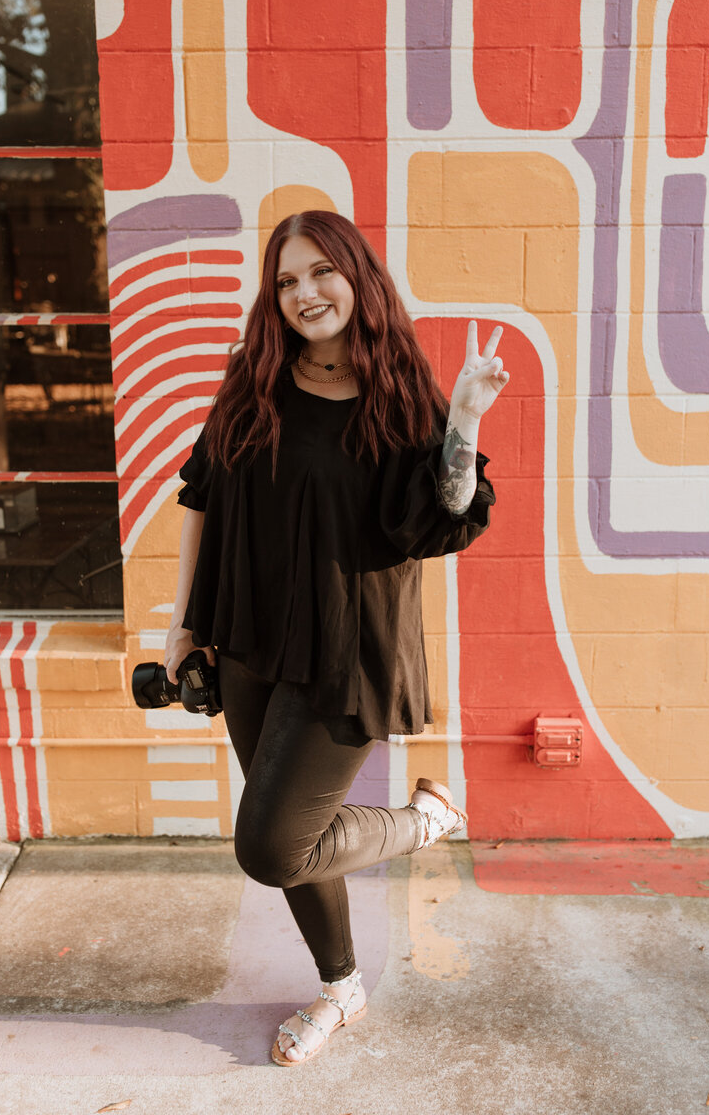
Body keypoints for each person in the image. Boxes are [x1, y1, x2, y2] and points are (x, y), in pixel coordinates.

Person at [164, 210, 509, 1066]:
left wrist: (465, 416)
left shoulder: (402, 397)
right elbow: (201, 496)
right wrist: (182, 627)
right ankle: (341, 987)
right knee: (296, 843)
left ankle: (421, 822)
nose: (305, 292)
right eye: (286, 280)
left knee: (273, 844)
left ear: (357, 276)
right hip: (247, 634)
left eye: (321, 271)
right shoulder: (252, 377)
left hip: (347, 650)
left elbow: (445, 517)